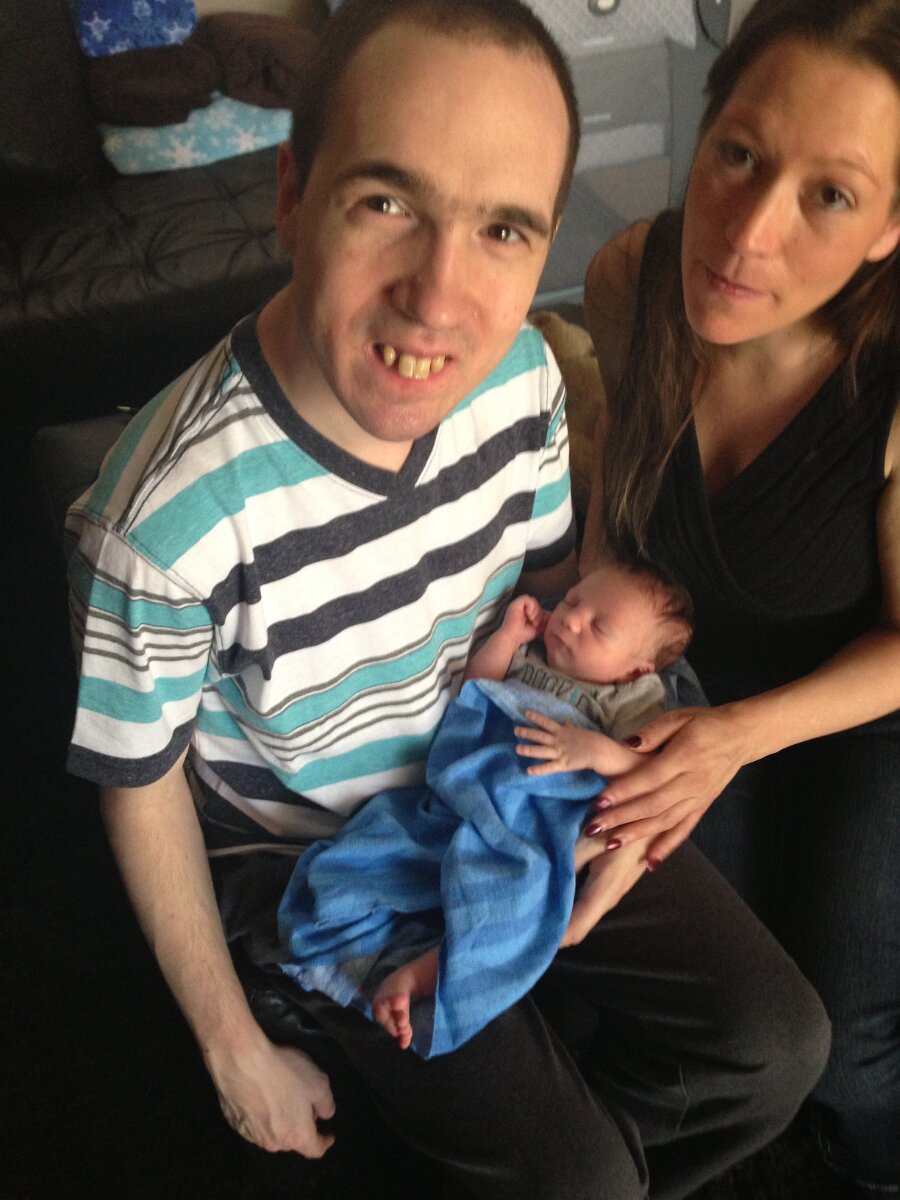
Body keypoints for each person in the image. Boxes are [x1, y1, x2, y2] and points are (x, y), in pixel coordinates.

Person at [64, 2, 830, 1197]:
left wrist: (644, 740)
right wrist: (233, 1050)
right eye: (387, 203)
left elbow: (546, 597)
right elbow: (140, 784)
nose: (438, 301)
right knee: (579, 1178)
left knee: (779, 1045)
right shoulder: (158, 519)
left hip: (503, 765)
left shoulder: (525, 379)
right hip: (316, 852)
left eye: (504, 229)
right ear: (292, 194)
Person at [580, 0, 900, 1193]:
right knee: (719, 990)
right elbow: (616, 499)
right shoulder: (631, 279)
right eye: (741, 155)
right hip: (681, 691)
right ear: (704, 124)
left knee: (849, 1045)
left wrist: (732, 738)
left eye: (831, 195)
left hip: (856, 708)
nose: (750, 233)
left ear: (891, 227)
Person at [277, 561, 694, 1056]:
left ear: (636, 669)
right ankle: (344, 939)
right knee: (384, 838)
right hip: (465, 795)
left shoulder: (632, 699)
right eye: (574, 600)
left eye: (599, 627)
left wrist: (595, 751)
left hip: (532, 823)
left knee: (513, 898)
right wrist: (507, 636)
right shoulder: (530, 653)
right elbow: (475, 690)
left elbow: (647, 768)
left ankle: (425, 974)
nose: (572, 619)